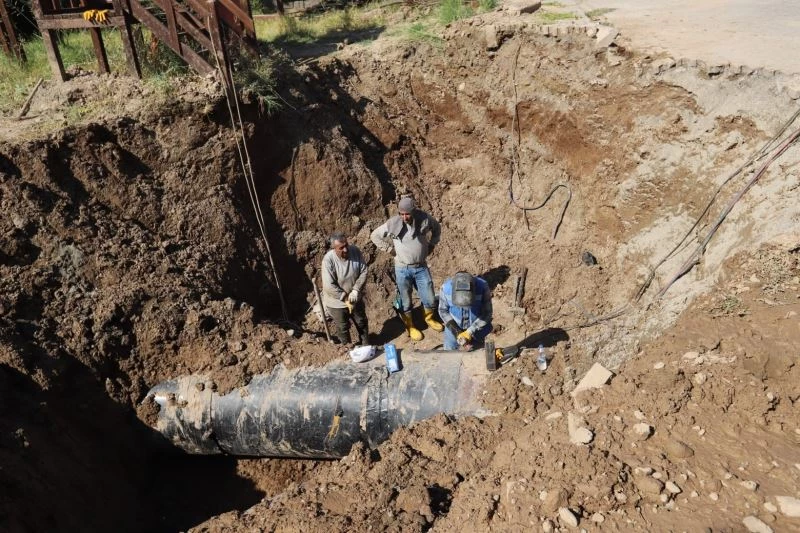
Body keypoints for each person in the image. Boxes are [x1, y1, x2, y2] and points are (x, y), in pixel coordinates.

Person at [371, 197, 443, 341]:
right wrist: (389, 249)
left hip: (421, 267)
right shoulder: (393, 224)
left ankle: (429, 319)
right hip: (402, 268)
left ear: (414, 211)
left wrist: (432, 244)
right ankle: (410, 326)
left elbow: (437, 228)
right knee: (406, 300)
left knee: (429, 296)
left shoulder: (424, 219)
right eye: (401, 214)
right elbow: (374, 236)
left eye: (407, 214)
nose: (404, 217)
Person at [321, 232, 369, 346]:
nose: (346, 250)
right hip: (336, 301)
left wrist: (356, 290)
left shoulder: (355, 251)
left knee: (361, 321)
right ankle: (348, 349)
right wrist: (344, 297)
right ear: (334, 248)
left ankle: (366, 345)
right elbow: (329, 286)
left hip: (354, 297)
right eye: (341, 248)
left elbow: (364, 271)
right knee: (343, 326)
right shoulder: (328, 260)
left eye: (346, 245)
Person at [438, 271, 493, 351]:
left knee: (477, 353)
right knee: (449, 354)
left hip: (477, 326)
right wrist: (455, 330)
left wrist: (470, 331)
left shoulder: (482, 287)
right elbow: (443, 311)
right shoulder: (446, 288)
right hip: (453, 326)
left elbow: (487, 313)